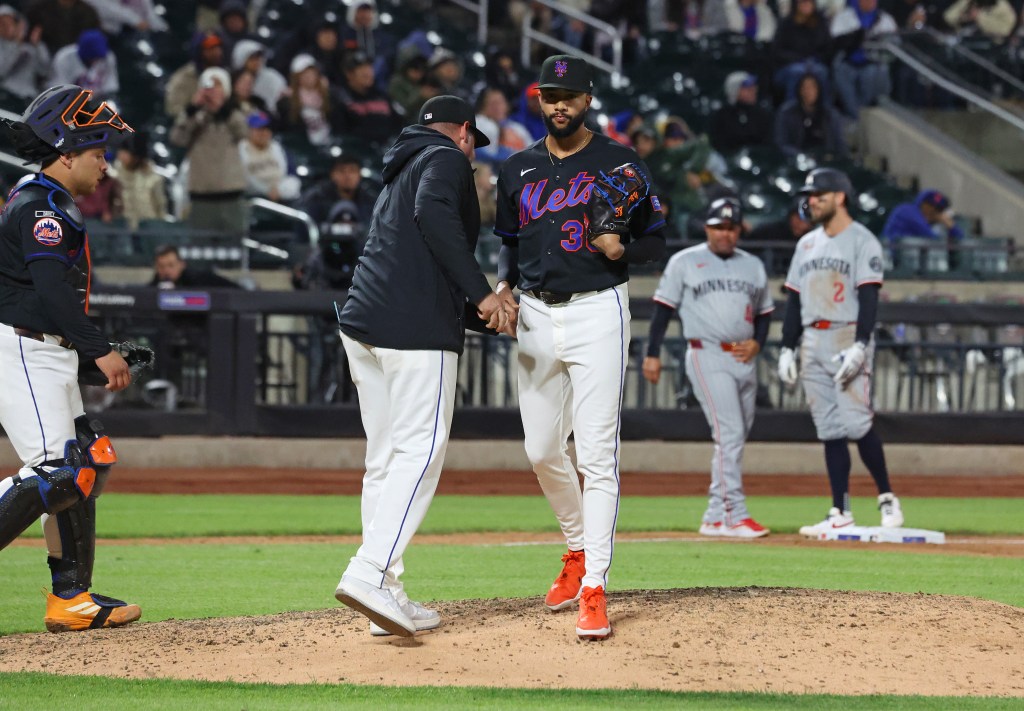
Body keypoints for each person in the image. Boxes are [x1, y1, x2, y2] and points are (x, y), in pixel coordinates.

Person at [493, 55, 666, 641]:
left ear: (588, 99)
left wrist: (625, 251)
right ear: (538, 99)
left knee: (596, 454)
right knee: (541, 449)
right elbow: (510, 244)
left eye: (569, 94)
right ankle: (575, 547)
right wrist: (502, 286)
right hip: (536, 313)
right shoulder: (516, 168)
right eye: (549, 94)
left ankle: (594, 585)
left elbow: (658, 239)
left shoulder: (621, 161)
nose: (558, 103)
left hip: (599, 309)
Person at [334, 95, 508, 637]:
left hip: (365, 324)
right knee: (420, 451)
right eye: (474, 142)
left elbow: (420, 258)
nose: (474, 155)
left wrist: (484, 314)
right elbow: (434, 216)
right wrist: (483, 294)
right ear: (461, 133)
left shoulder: (402, 165)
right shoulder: (445, 158)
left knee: (385, 460)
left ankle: (386, 592)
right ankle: (368, 572)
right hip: (412, 334)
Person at [0, 84, 139, 631]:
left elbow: (43, 296)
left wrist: (80, 355)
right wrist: (99, 351)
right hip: (23, 349)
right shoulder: (41, 206)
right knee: (60, 473)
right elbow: (51, 292)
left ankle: (70, 599)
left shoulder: (47, 199)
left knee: (87, 459)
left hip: (44, 351)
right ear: (66, 152)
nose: (105, 165)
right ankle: (70, 597)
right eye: (98, 153)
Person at [776, 168, 905, 536]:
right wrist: (787, 346)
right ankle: (840, 509)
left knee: (856, 422)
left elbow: (869, 298)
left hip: (846, 334)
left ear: (840, 197)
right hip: (812, 339)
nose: (812, 200)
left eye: (819, 194)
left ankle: (886, 498)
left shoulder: (862, 241)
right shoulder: (806, 244)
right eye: (810, 194)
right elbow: (795, 300)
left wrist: (861, 344)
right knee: (830, 428)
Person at [643, 198, 774, 538]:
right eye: (718, 227)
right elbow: (662, 310)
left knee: (735, 436)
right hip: (706, 354)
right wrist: (652, 352)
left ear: (739, 230)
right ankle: (735, 514)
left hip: (744, 357)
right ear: (706, 228)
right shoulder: (685, 262)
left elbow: (765, 313)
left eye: (731, 228)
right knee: (729, 434)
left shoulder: (753, 265)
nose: (724, 234)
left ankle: (716, 515)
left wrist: (759, 341)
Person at [169, 66, 248, 233]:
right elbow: (177, 138)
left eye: (217, 85)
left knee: (234, 249)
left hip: (231, 195)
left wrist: (223, 109)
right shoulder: (194, 116)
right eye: (209, 85)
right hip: (201, 196)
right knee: (202, 250)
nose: (213, 90)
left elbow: (244, 132)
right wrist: (193, 110)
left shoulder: (234, 113)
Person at [830, 0, 898, 119]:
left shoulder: (885, 19)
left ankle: (866, 115)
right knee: (841, 72)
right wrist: (857, 36)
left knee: (875, 73)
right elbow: (835, 42)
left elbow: (894, 46)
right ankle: (855, 116)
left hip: (873, 64)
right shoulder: (844, 17)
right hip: (848, 62)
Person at [775, 72, 847, 159]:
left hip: (826, 160)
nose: (808, 91)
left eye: (812, 87)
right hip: (797, 160)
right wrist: (801, 156)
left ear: (818, 90)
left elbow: (840, 143)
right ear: (799, 90)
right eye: (805, 87)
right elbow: (781, 143)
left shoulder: (831, 114)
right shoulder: (787, 113)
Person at [708, 71, 775, 154]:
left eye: (753, 87)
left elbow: (768, 144)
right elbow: (718, 144)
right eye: (748, 88)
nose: (754, 90)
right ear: (734, 90)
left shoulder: (762, 114)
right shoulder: (721, 116)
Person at [0, 5, 51, 101]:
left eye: (9, 23)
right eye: (2, 24)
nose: (6, 27)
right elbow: (2, 72)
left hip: (28, 95)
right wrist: (16, 45)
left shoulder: (34, 45)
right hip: (5, 92)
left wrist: (37, 46)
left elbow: (44, 71)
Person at [881, 189, 964, 245]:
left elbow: (960, 239)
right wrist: (946, 223)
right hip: (890, 257)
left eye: (939, 209)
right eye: (931, 206)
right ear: (923, 204)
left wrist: (952, 227)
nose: (933, 211)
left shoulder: (932, 222)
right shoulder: (907, 210)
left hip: (910, 259)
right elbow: (933, 239)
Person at [148, 244, 239, 288]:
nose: (166, 270)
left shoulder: (199, 279)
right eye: (161, 266)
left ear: (182, 265)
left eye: (171, 265)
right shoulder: (153, 286)